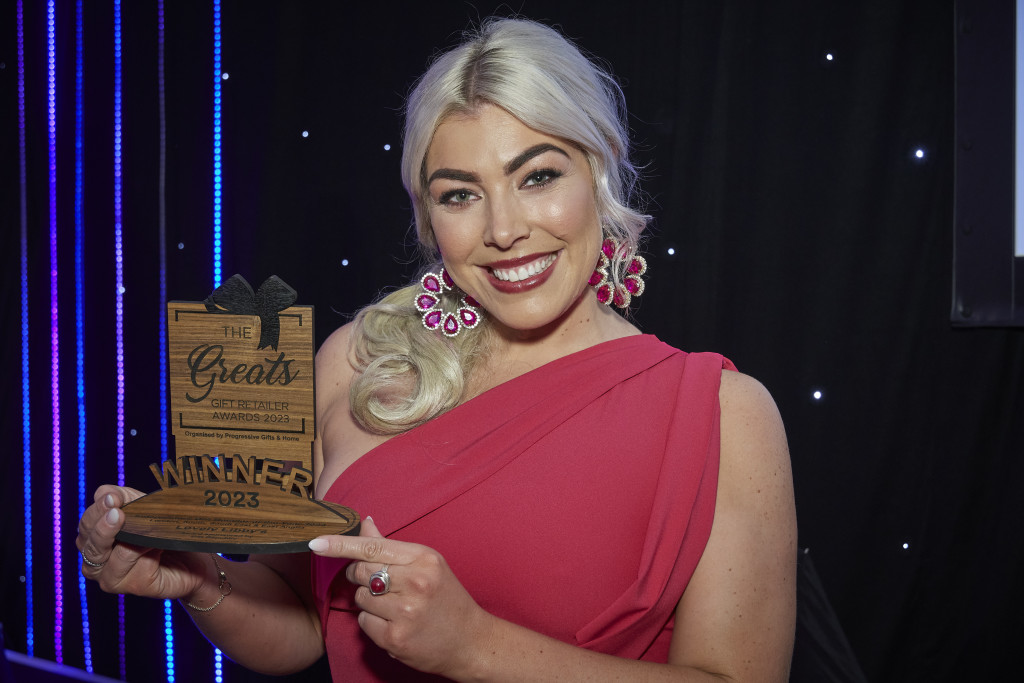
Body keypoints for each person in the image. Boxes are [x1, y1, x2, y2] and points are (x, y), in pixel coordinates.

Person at [77, 17, 796, 682]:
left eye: (538, 176)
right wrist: (199, 576)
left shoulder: (721, 414)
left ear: (600, 171)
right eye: (460, 194)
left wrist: (477, 645)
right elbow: (304, 624)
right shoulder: (354, 365)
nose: (505, 228)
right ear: (427, 217)